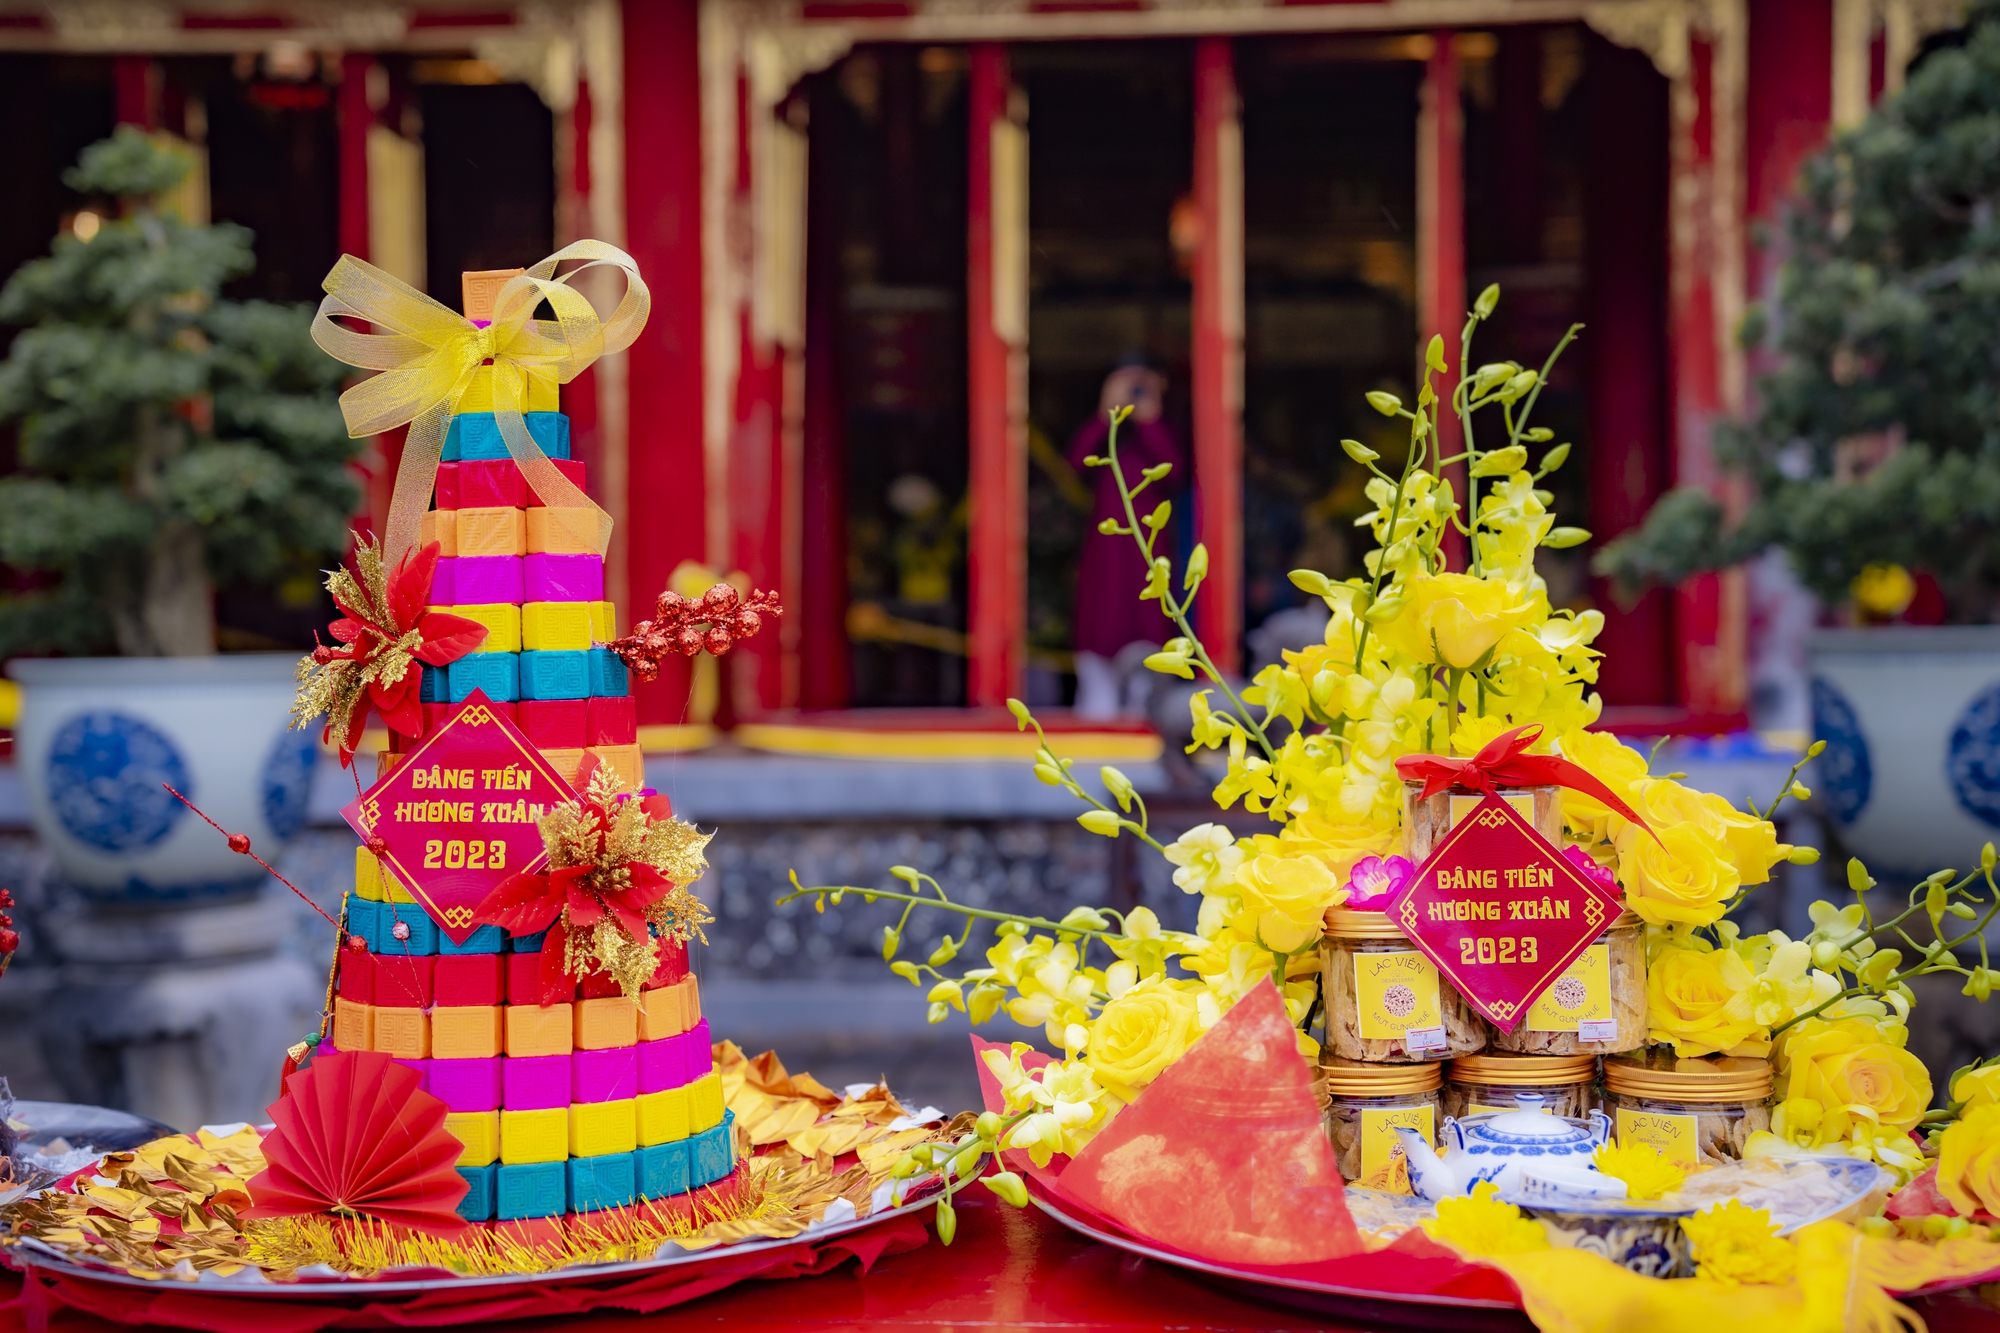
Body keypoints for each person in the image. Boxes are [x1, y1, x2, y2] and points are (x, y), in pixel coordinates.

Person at [1066, 360, 1187, 720]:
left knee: (1147, 655)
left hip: (1149, 555)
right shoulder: (1108, 438)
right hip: (1106, 556)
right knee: (1098, 655)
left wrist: (1150, 419)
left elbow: (1175, 470)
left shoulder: (1169, 427)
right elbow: (1075, 464)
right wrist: (1105, 415)